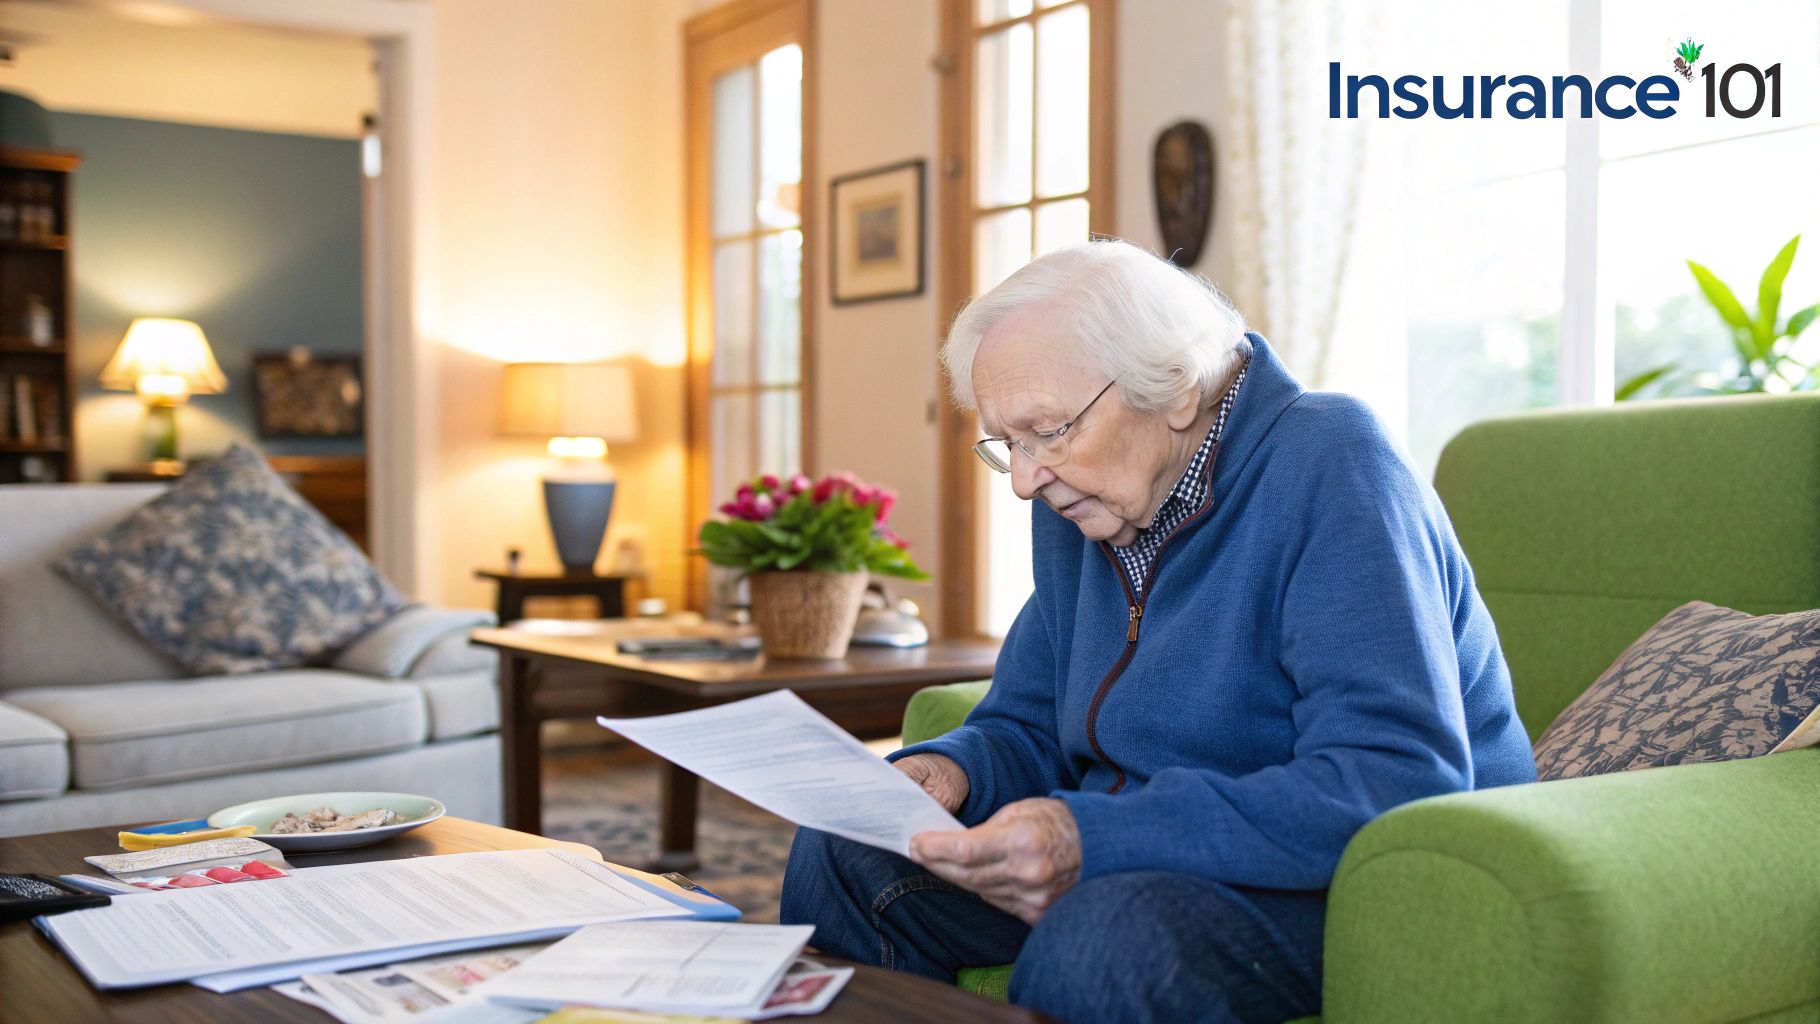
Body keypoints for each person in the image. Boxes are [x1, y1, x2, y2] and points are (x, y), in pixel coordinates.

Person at [780, 239, 1537, 1023]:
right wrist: (951, 770)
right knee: (845, 852)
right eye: (1009, 445)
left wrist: (1093, 836)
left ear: (1175, 387)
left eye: (1048, 431)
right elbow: (1028, 721)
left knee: (1101, 938)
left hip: (1341, 876)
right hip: (1142, 847)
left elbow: (1392, 778)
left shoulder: (1332, 463)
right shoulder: (1087, 502)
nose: (1026, 480)